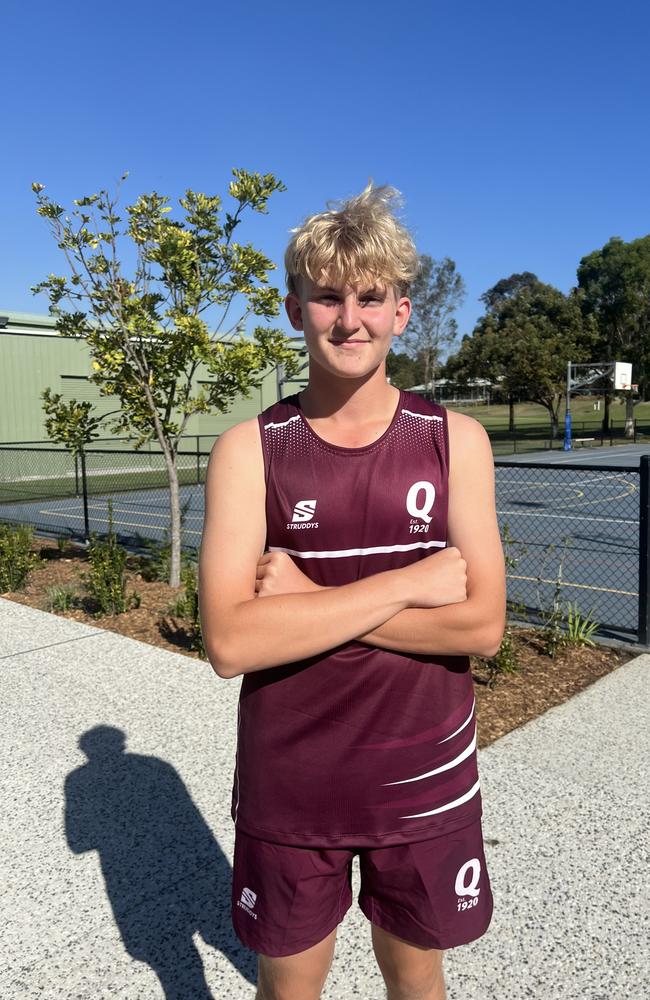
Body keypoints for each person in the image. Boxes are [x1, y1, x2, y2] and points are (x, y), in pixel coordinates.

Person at [199, 184, 506, 1000]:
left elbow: (480, 626)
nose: (349, 319)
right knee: (289, 988)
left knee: (415, 980)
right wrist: (411, 582)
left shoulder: (453, 442)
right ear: (295, 307)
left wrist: (302, 600)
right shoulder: (250, 450)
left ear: (402, 312)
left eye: (370, 298)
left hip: (427, 782)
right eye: (328, 297)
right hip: (293, 787)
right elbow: (230, 643)